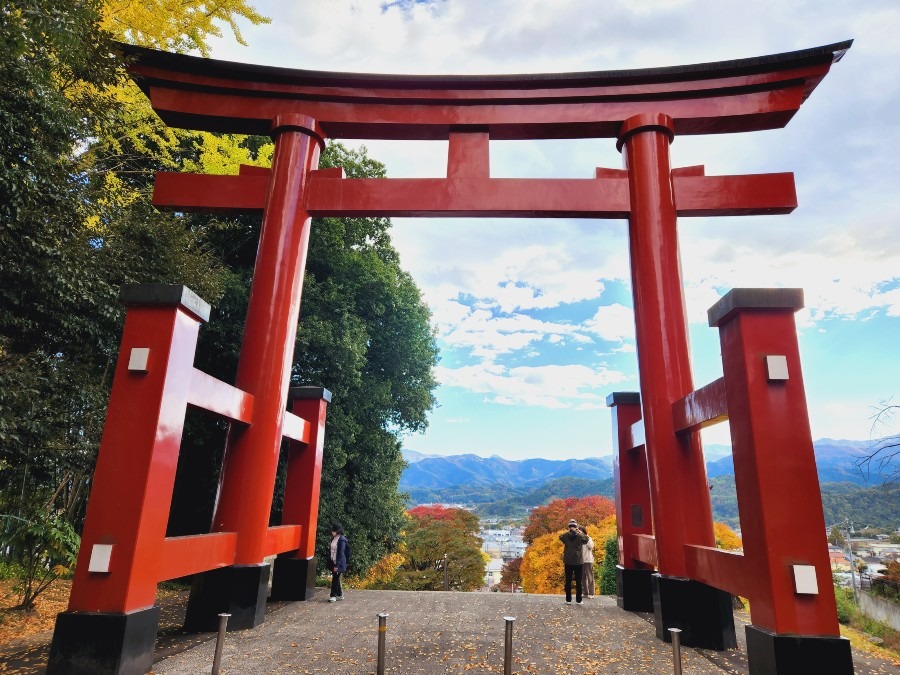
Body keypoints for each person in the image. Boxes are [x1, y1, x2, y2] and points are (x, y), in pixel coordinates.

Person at [559, 518, 588, 604]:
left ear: (569, 527)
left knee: (568, 581)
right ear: (576, 527)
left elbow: (560, 537)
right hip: (578, 561)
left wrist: (569, 531)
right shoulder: (579, 536)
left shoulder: (565, 536)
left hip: (568, 561)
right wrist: (579, 532)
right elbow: (586, 540)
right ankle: (579, 600)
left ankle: (568, 600)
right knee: (578, 581)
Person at [328, 523, 349, 603]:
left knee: (335, 579)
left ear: (337, 531)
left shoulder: (342, 540)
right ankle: (339, 594)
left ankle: (333, 595)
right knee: (336, 578)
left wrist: (337, 565)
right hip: (333, 561)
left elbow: (340, 553)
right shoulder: (333, 538)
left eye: (333, 530)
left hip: (339, 563)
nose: (331, 532)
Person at [579, 525, 595, 599]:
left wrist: (584, 537)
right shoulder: (578, 539)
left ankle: (591, 593)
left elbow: (591, 546)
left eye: (581, 532)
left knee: (590, 577)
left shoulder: (588, 538)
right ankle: (585, 592)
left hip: (588, 560)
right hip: (580, 560)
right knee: (582, 578)